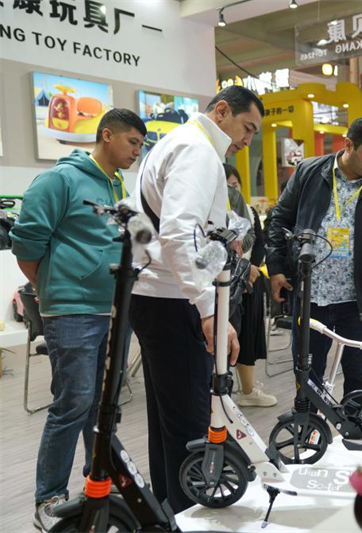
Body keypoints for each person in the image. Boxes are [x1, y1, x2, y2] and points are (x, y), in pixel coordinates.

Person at [10, 109, 146, 532]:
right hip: (72, 308)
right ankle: (48, 497)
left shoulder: (117, 184)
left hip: (114, 307)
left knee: (103, 406)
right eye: (132, 144)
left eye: (140, 146)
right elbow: (26, 244)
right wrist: (58, 284)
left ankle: (97, 483)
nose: (136, 153)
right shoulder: (60, 180)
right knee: (73, 402)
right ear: (106, 136)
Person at [129, 85, 263, 513]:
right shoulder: (199, 150)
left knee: (168, 418)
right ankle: (189, 515)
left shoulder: (170, 145)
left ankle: (170, 506)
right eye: (247, 127)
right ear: (221, 111)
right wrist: (207, 307)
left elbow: (159, 226)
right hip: (174, 300)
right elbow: (177, 231)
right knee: (187, 419)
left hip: (155, 294)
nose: (247, 140)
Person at [266, 116, 362, 397]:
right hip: (310, 296)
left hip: (355, 300)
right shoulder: (309, 172)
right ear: (348, 145)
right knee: (308, 377)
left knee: (359, 377)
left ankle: (353, 434)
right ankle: (309, 434)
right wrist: (276, 267)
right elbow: (278, 219)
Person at [224, 164, 276, 407]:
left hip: (251, 281)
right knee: (226, 338)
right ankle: (222, 391)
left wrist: (251, 270)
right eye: (227, 186)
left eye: (235, 185)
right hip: (227, 283)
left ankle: (247, 390)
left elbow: (259, 243)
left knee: (249, 336)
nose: (233, 190)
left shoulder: (250, 211)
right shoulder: (217, 216)